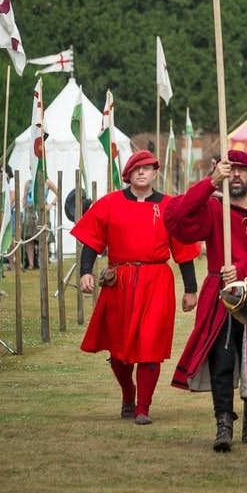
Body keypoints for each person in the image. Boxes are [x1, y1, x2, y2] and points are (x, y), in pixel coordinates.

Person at [73, 150, 200, 425]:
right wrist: (85, 272)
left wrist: (191, 289)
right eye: (136, 169)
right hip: (120, 280)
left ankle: (143, 407)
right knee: (118, 350)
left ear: (155, 173)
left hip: (156, 282)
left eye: (147, 168)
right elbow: (92, 241)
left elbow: (183, 249)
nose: (142, 173)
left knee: (150, 344)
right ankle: (128, 391)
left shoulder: (169, 206)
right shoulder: (109, 204)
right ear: (127, 175)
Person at [165, 149, 247, 451]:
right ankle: (224, 423)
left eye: (243, 169)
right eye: (231, 169)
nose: (237, 174)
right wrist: (209, 183)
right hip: (221, 296)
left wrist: (241, 268)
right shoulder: (214, 209)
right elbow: (174, 219)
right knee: (223, 360)